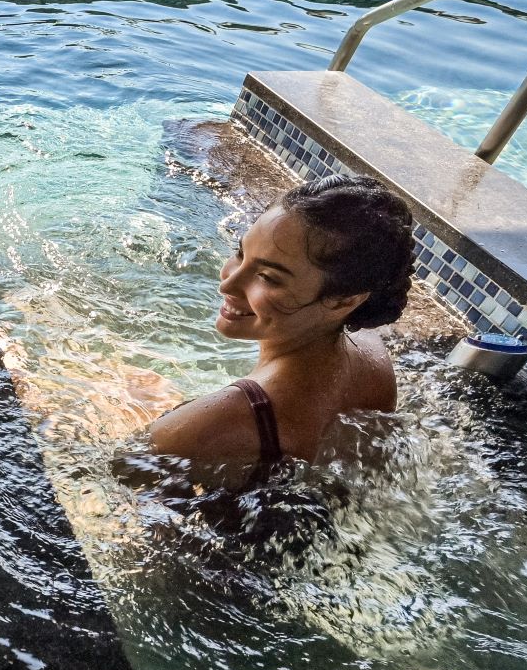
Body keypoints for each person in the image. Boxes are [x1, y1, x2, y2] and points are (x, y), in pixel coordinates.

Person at [149, 173, 413, 483]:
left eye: (269, 277)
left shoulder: (218, 420)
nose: (228, 282)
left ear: (344, 301)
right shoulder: (373, 356)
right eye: (240, 253)